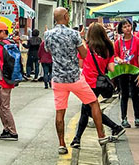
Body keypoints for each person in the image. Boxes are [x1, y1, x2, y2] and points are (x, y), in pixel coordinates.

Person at [44, 8, 110, 154]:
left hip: (58, 79)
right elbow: (84, 54)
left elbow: (49, 51)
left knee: (60, 111)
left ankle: (61, 144)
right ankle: (101, 136)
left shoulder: (48, 34)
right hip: (74, 77)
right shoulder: (73, 34)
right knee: (93, 103)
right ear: (66, 16)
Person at [71, 23, 125, 148]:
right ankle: (77, 138)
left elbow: (80, 64)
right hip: (101, 83)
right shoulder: (108, 48)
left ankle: (115, 127)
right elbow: (111, 68)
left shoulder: (86, 47)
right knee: (87, 110)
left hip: (88, 83)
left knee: (87, 110)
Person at [114, 19, 139, 129]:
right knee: (124, 94)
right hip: (123, 71)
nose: (127, 28)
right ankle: (124, 118)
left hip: (134, 70)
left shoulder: (137, 41)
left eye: (129, 26)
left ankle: (137, 118)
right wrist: (119, 59)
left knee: (135, 94)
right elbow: (115, 55)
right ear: (121, 29)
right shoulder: (118, 42)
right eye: (125, 27)